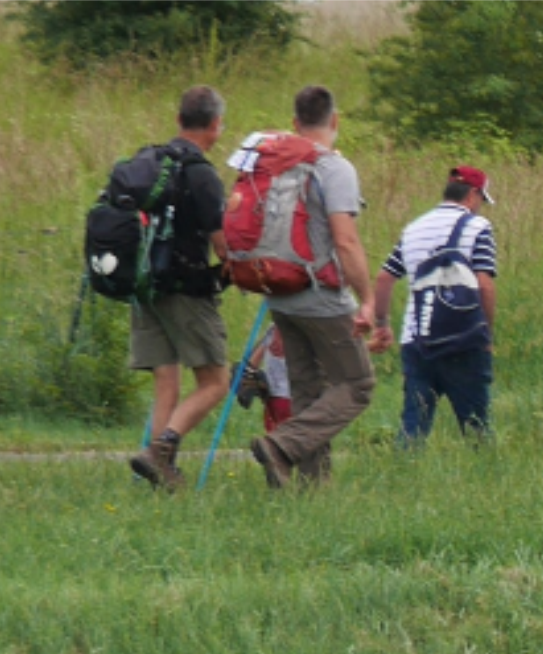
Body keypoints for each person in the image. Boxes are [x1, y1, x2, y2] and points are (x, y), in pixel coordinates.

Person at [244, 86, 378, 489]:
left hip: (280, 293)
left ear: (294, 124)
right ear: (334, 121)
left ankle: (311, 485)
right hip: (321, 295)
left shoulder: (276, 164)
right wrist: (368, 301)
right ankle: (282, 447)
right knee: (357, 384)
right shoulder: (333, 168)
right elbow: (346, 241)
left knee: (309, 390)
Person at [127, 86, 230, 491]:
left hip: (143, 286)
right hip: (186, 288)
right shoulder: (202, 174)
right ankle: (161, 452)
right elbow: (222, 245)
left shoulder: (148, 160)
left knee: (166, 380)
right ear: (216, 125)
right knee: (215, 381)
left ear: (178, 120)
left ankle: (157, 474)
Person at [368, 165, 498, 443]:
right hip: (464, 339)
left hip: (417, 339)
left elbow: (383, 278)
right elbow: (484, 284)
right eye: (481, 201)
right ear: (473, 194)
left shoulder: (414, 228)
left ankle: (404, 473)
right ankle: (485, 474)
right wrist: (486, 333)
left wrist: (382, 325)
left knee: (414, 422)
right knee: (476, 425)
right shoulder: (478, 227)